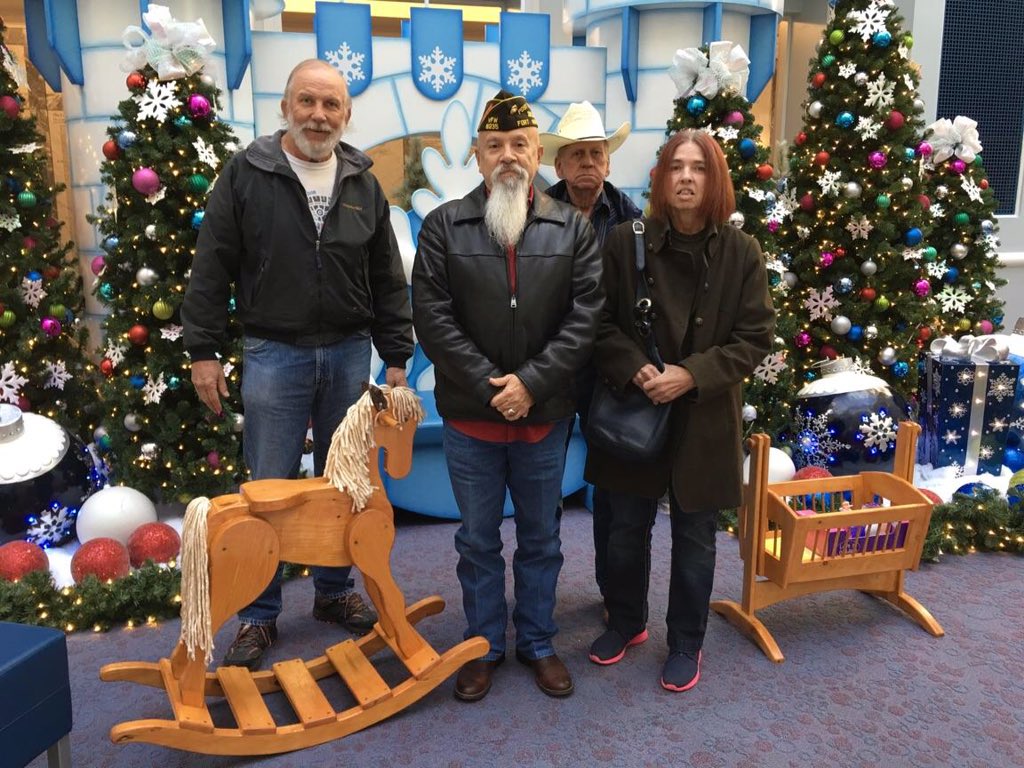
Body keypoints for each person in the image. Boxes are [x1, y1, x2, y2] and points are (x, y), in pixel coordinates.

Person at [181, 59, 414, 671]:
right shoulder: (247, 173)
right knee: (270, 487)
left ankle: (334, 595)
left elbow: (388, 277)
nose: (318, 115)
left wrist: (396, 356)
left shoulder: (363, 183)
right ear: (285, 107)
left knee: (344, 482)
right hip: (272, 353)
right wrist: (202, 351)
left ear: (346, 114)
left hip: (347, 351)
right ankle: (259, 617)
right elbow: (212, 266)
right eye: (306, 101)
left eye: (331, 105)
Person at [412, 90, 603, 702]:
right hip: (473, 420)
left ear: (538, 152)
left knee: (543, 538)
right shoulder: (445, 226)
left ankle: (539, 642)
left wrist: (532, 384)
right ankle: (484, 643)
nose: (508, 156)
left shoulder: (571, 227)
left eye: (519, 144)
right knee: (477, 539)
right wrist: (497, 389)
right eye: (494, 146)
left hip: (544, 418)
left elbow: (586, 317)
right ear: (476, 156)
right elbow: (434, 319)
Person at [584, 129, 774, 691]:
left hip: (705, 417)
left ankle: (687, 642)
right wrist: (635, 367)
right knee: (624, 530)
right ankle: (625, 621)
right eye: (676, 167)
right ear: (662, 178)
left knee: (695, 537)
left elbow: (755, 336)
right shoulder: (624, 241)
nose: (687, 177)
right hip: (634, 408)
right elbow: (597, 321)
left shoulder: (743, 252)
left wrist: (691, 374)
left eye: (699, 169)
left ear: (715, 181)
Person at [539, 100, 642, 606]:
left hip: (609, 372)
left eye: (595, 154)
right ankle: (543, 594)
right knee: (543, 488)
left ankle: (611, 593)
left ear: (608, 160)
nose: (586, 163)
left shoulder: (631, 219)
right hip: (551, 369)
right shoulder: (533, 213)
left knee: (611, 488)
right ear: (558, 165)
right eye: (576, 154)